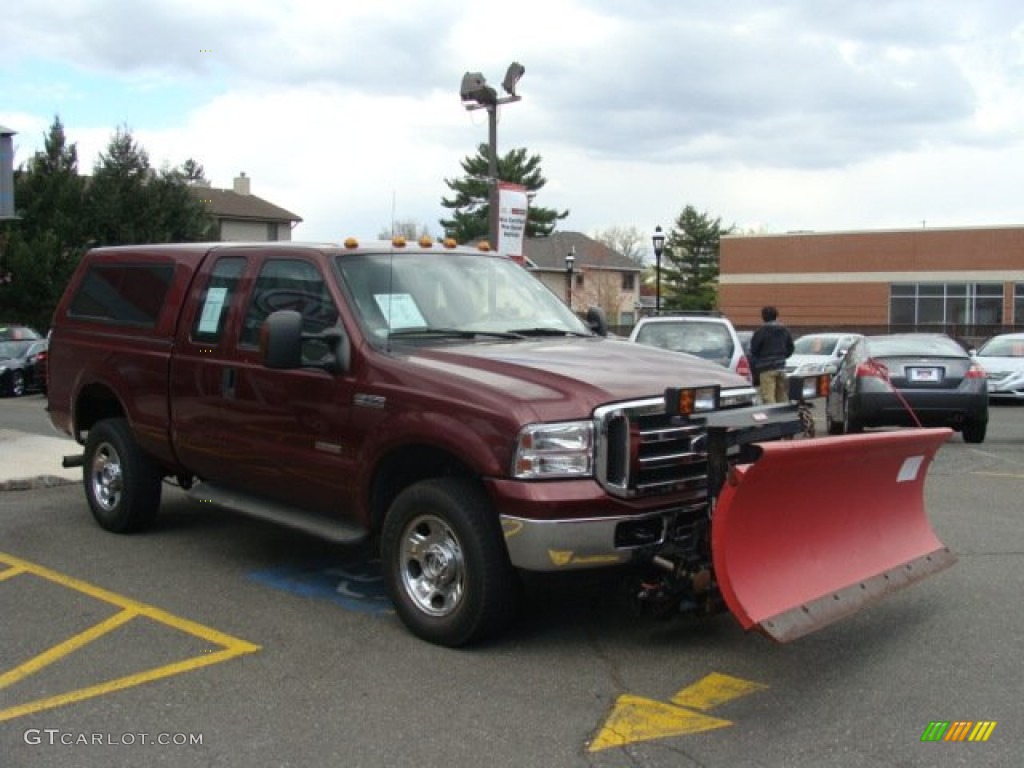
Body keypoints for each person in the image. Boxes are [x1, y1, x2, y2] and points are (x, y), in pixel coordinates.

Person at [749, 306, 794, 404]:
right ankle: (783, 416)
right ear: (776, 316)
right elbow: (791, 347)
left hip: (766, 369)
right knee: (782, 396)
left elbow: (754, 350)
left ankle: (773, 417)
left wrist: (759, 360)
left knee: (768, 397)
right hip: (781, 367)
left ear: (763, 317)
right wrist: (782, 357)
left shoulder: (760, 332)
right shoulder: (784, 331)